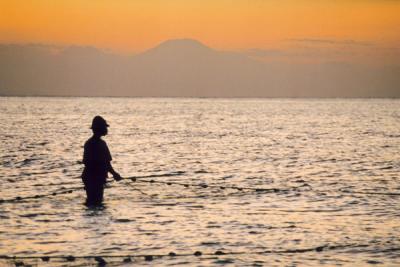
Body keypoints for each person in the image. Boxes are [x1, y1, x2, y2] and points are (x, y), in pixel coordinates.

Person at [82, 115, 122, 205]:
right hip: (95, 178)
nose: (106, 129)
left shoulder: (89, 143)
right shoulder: (101, 144)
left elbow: (87, 162)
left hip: (89, 177)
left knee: (91, 201)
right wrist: (115, 174)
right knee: (97, 202)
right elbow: (106, 163)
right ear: (100, 129)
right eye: (105, 127)